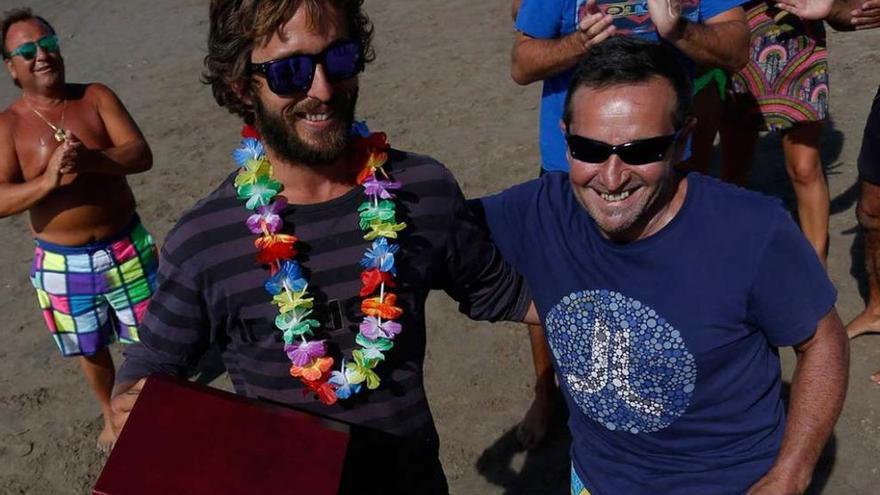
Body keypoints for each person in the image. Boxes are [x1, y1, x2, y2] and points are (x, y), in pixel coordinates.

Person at [109, 1, 533, 492]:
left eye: (338, 58)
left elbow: (496, 289)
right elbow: (156, 360)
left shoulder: (421, 189)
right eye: (290, 70)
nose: (322, 90)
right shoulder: (205, 240)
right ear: (240, 85)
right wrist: (127, 401)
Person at [476, 37, 849, 494]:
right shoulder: (542, 208)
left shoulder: (752, 231)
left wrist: (791, 473)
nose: (611, 177)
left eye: (640, 151)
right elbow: (437, 231)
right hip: (594, 482)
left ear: (683, 139)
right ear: (564, 137)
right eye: (588, 149)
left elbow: (823, 341)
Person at [509, 0, 751, 448]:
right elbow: (522, 63)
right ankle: (546, 392)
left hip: (662, 165)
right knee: (549, 286)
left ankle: (660, 395)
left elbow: (737, 48)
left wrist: (679, 31)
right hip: (574, 168)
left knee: (669, 289)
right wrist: (578, 43)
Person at [0, 8, 156, 452]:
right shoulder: (8, 125)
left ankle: (152, 404)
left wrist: (92, 161)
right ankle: (112, 415)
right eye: (26, 51)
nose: (41, 56)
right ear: (12, 68)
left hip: (126, 243)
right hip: (61, 260)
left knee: (151, 338)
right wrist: (47, 181)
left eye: (47, 44)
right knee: (90, 346)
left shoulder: (95, 97)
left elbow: (141, 154)